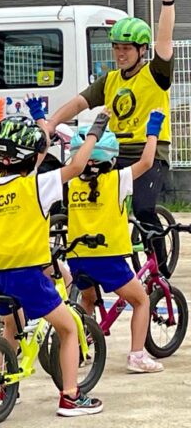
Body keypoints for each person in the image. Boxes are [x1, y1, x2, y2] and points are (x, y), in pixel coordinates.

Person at [44, 0, 179, 274]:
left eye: (126, 48)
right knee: (81, 197)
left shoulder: (155, 74)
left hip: (148, 152)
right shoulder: (111, 80)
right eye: (116, 48)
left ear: (141, 50)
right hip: (113, 151)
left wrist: (168, 3)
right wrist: (51, 124)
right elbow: (80, 102)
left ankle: (158, 269)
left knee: (144, 209)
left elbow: (165, 43)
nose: (120, 54)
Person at [0, 112, 110, 416]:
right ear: (33, 156)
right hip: (27, 274)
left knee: (11, 326)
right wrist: (93, 134)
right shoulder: (36, 185)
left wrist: (40, 124)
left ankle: (3, 386)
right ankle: (70, 396)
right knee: (66, 330)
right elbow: (77, 166)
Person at [67, 111, 166, 373]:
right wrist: (153, 130)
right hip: (107, 256)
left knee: (87, 300)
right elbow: (146, 162)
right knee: (141, 300)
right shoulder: (116, 179)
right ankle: (137, 356)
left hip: (76, 256)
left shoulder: (72, 181)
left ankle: (80, 346)